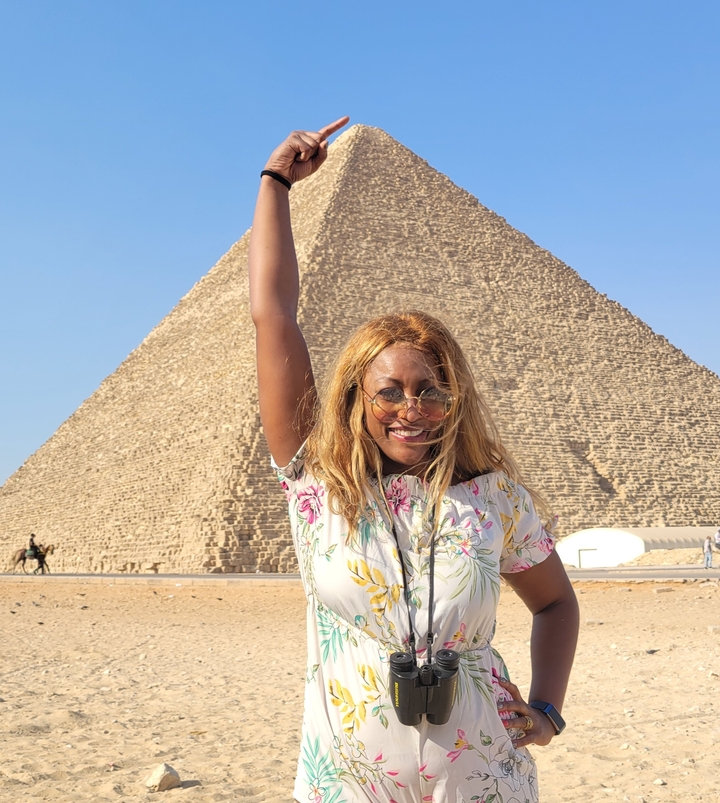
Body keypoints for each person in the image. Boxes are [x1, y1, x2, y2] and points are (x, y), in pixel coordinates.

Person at [249, 117, 579, 803]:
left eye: (432, 390)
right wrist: (276, 184)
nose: (412, 408)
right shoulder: (317, 486)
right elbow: (274, 314)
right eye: (390, 391)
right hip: (349, 781)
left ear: (453, 397)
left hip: (482, 776)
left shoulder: (495, 498)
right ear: (355, 398)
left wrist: (546, 709)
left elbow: (555, 603)